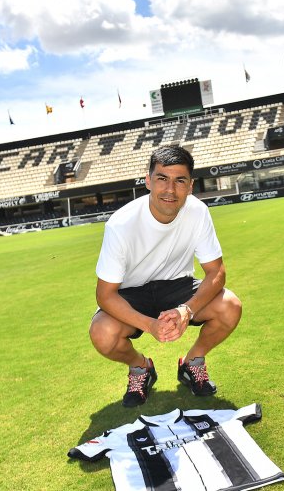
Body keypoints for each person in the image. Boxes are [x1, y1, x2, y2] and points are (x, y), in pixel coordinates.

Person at [90, 145, 242, 407]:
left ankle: (192, 362)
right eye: (162, 178)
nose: (170, 190)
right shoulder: (121, 224)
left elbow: (216, 271)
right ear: (148, 181)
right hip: (132, 293)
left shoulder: (197, 211)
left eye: (179, 181)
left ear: (190, 185)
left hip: (178, 286)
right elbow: (105, 295)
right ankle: (140, 368)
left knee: (230, 306)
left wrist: (187, 310)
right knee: (102, 333)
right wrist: (149, 324)